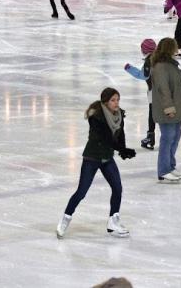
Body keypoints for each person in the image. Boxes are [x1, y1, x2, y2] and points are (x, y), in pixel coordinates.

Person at [57, 88, 136, 239]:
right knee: (81, 192)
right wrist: (121, 149)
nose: (116, 103)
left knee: (117, 188)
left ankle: (113, 222)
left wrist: (123, 149)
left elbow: (120, 134)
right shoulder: (96, 116)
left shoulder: (119, 115)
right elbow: (105, 138)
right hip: (92, 158)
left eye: (118, 100)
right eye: (113, 100)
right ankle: (65, 218)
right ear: (105, 102)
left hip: (107, 158)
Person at [150, 37, 181, 183]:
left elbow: (180, 86)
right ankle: (163, 170)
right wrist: (168, 108)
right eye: (175, 46)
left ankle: (170, 166)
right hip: (166, 109)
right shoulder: (160, 67)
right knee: (167, 138)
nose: (177, 48)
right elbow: (163, 89)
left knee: (175, 136)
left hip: (176, 107)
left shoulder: (172, 65)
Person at [124, 38, 157, 150]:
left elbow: (143, 75)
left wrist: (129, 68)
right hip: (164, 91)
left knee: (152, 114)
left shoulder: (149, 61)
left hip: (154, 92)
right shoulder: (160, 58)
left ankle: (150, 137)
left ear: (145, 50)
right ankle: (168, 134)